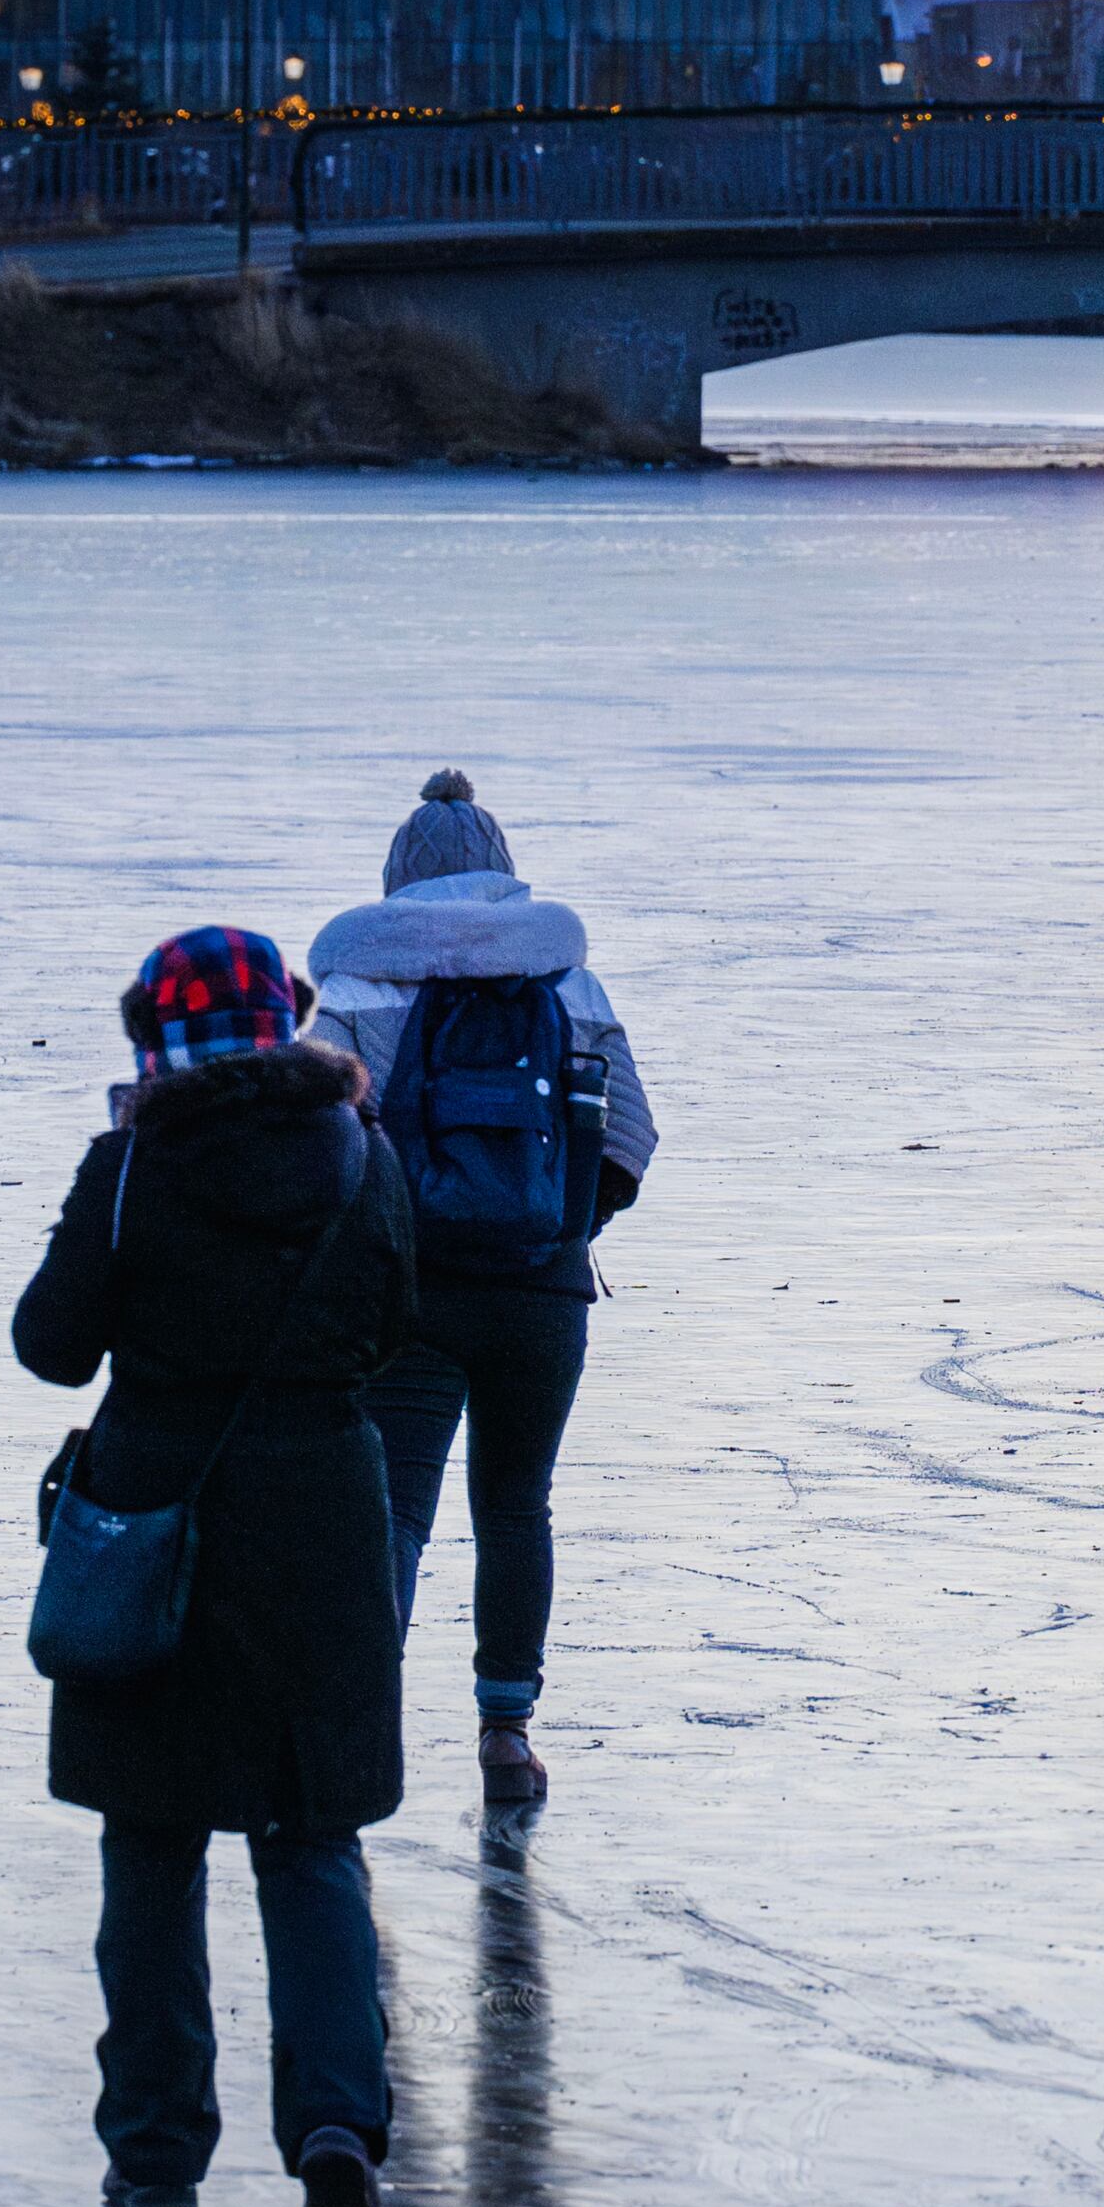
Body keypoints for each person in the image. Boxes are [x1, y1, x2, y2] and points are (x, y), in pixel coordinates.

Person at [13, 927, 420, 2207]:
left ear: (153, 1032)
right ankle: (339, 2134)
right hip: (322, 1527)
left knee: (151, 1846)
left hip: (158, 1527)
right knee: (312, 1841)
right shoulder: (364, 1151)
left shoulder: (134, 1164)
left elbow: (50, 1347)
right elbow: (396, 1321)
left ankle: (157, 2156)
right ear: (286, 1019)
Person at [305, 772, 656, 1841]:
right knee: (514, 1507)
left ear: (396, 873)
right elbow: (632, 1134)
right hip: (541, 1295)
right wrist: (561, 1231)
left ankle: (354, 1730)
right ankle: (507, 1735)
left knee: (393, 1515)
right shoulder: (568, 982)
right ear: (503, 865)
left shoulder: (362, 985)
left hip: (406, 1293)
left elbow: (316, 1148)